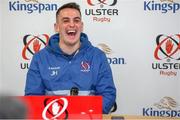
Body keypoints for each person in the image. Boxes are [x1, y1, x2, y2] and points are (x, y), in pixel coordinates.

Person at [25, 2, 116, 114]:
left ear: (81, 26)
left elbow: (108, 95)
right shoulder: (40, 58)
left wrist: (82, 113)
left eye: (76, 20)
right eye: (66, 20)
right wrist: (60, 114)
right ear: (56, 27)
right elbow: (33, 98)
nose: (72, 25)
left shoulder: (97, 56)